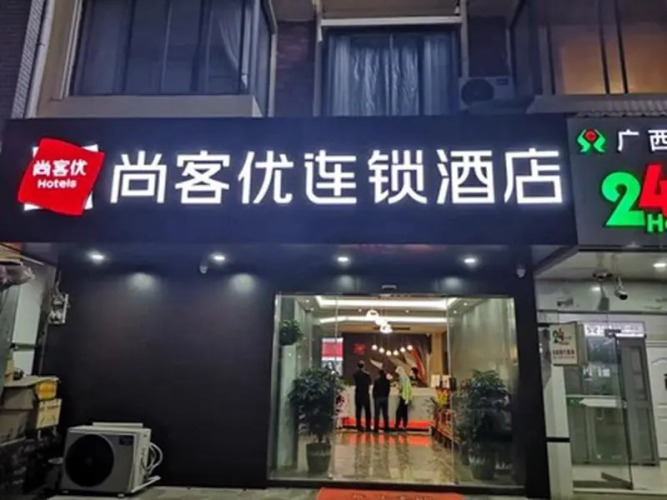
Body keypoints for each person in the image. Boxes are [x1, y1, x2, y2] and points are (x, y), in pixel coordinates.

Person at [353, 361, 372, 432]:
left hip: (358, 394)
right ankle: (368, 426)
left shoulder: (355, 374)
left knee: (358, 411)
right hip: (365, 394)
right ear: (364, 366)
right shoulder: (367, 374)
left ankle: (358, 426)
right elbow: (370, 383)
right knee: (367, 411)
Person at [395, 366, 413, 431]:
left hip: (403, 397)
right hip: (406, 397)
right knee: (404, 413)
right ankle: (404, 426)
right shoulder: (406, 378)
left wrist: (397, 386)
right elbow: (409, 389)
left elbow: (401, 387)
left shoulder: (402, 377)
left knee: (398, 412)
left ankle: (397, 425)